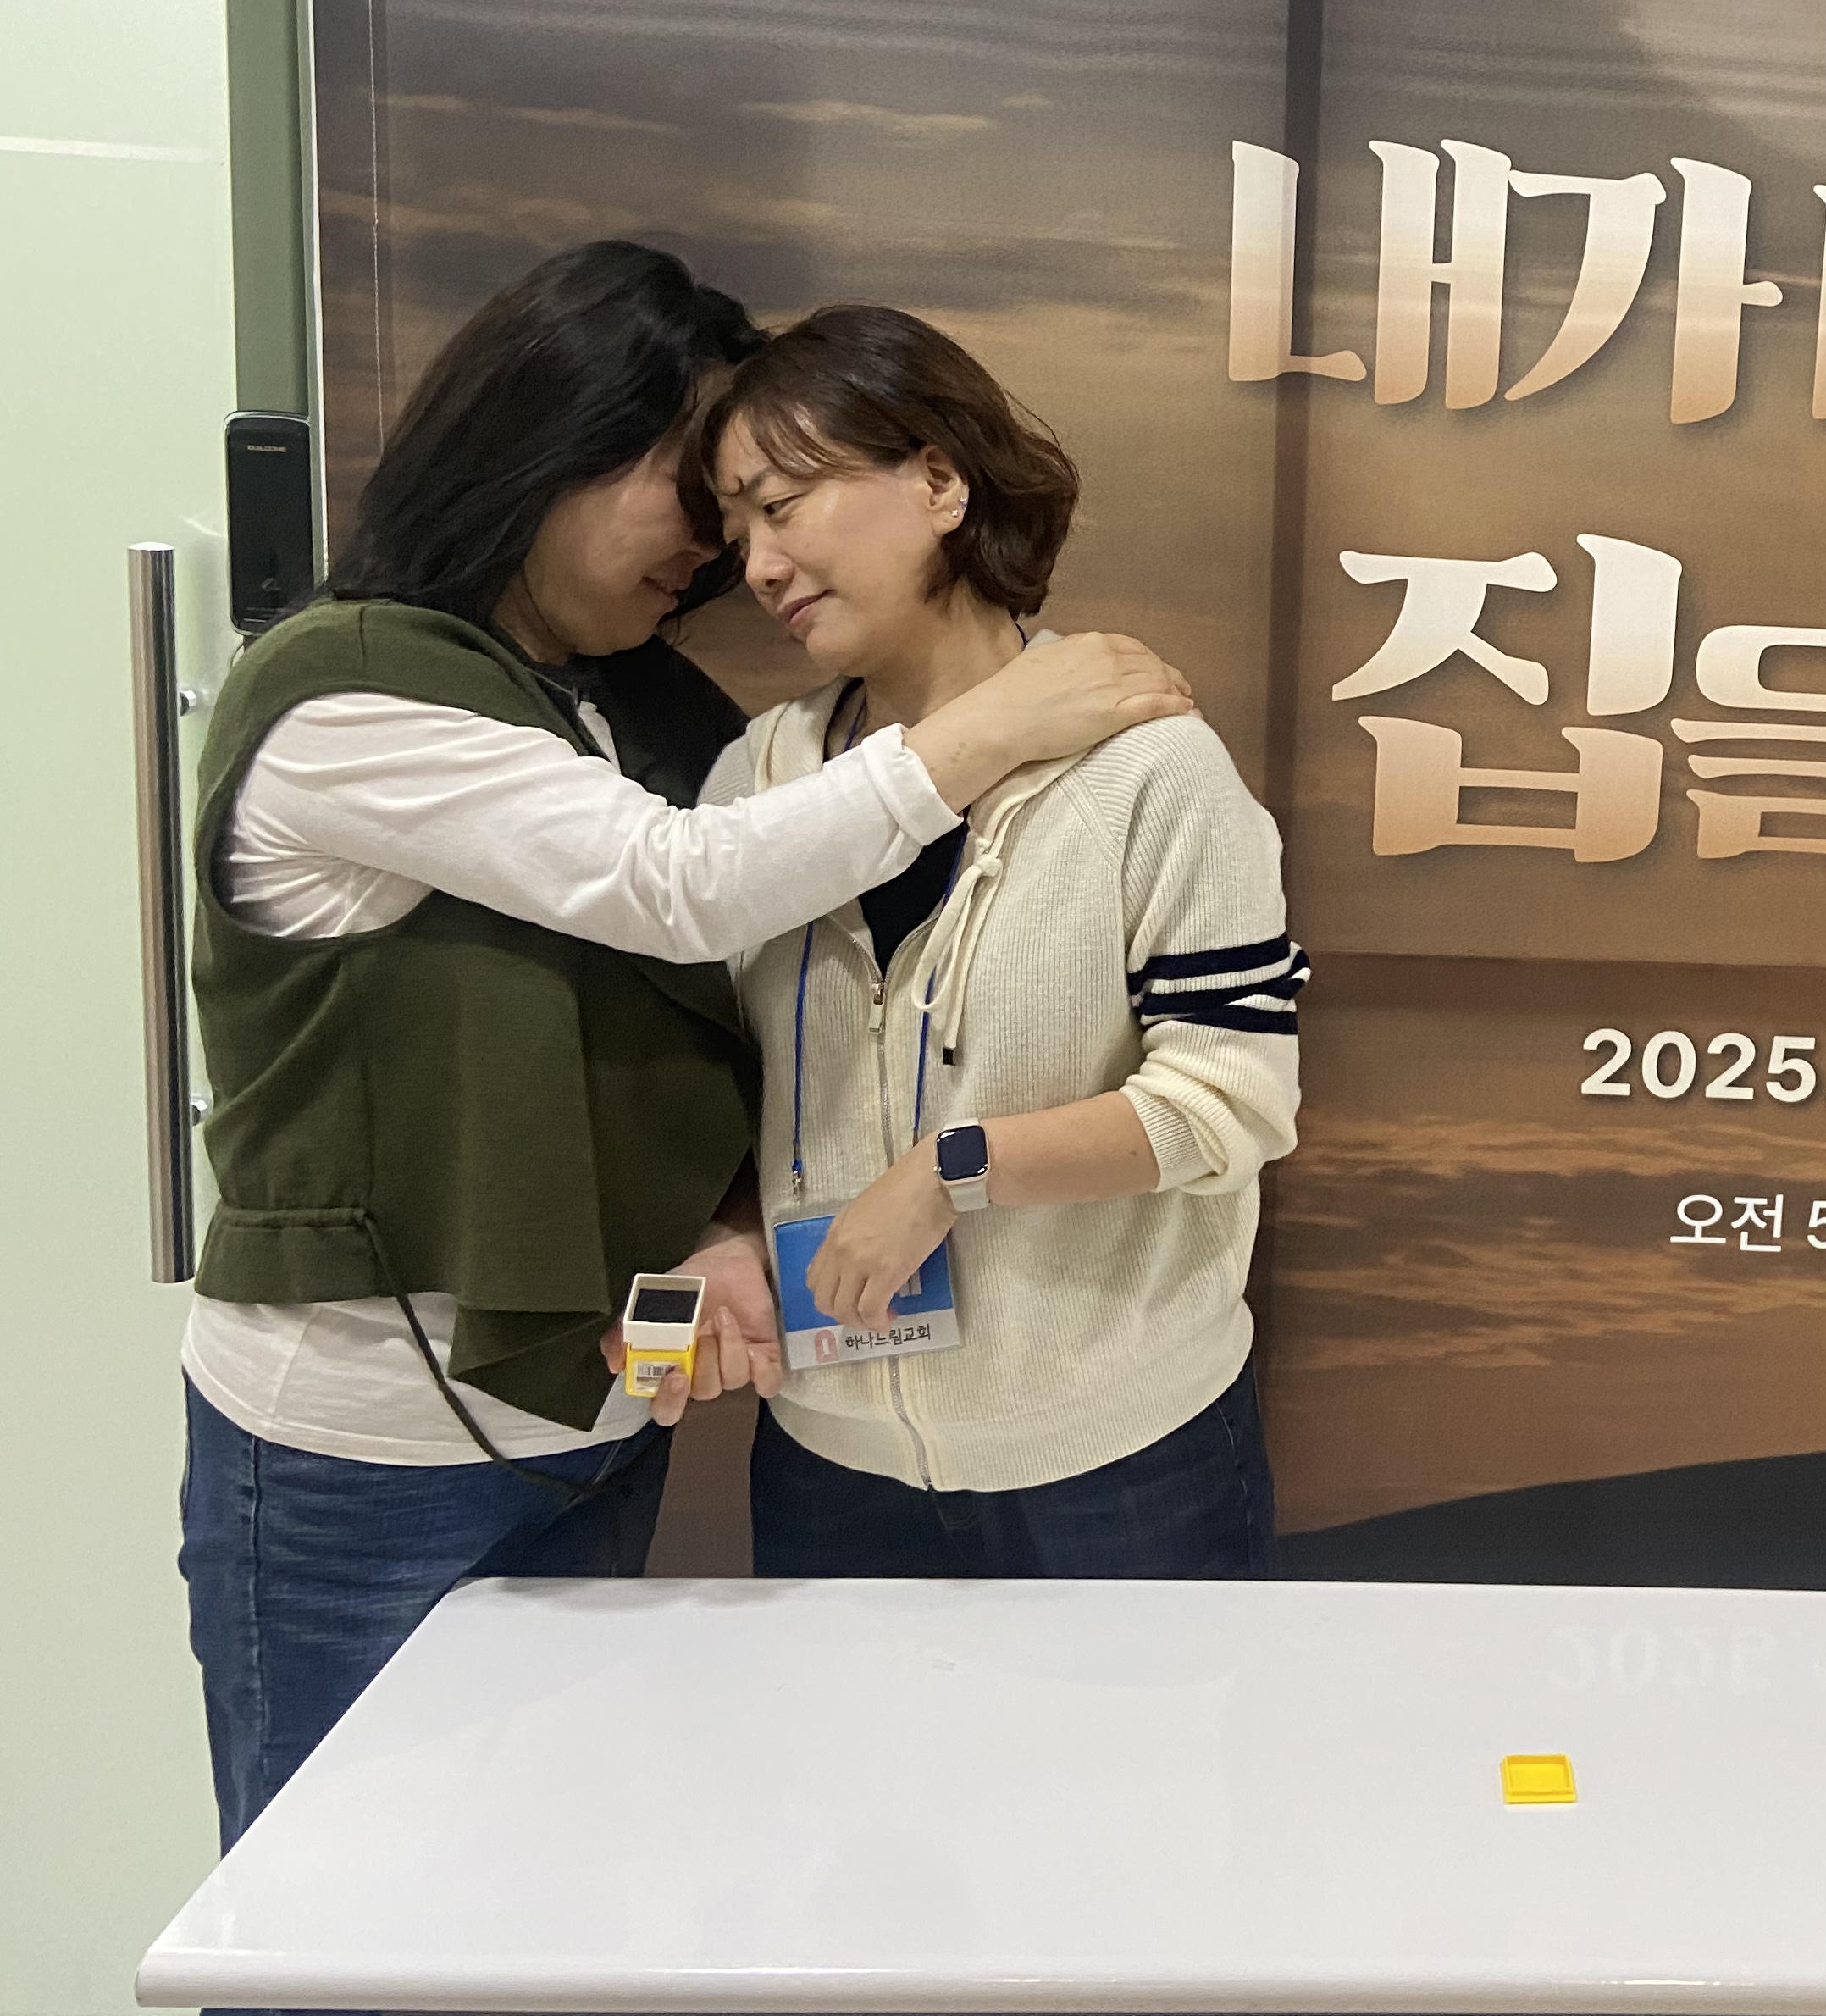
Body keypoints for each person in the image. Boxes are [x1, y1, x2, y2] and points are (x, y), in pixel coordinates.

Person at [180, 241, 1195, 1855]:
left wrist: (725, 1221)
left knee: (552, 1886)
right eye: (704, 496)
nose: (728, 554)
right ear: (557, 441)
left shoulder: (643, 707)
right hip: (364, 1446)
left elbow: (719, 1018)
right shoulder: (347, 694)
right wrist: (1000, 718)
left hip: (597, 1424)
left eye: (765, 507)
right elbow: (679, 885)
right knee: (337, 1902)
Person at [699, 304, 1299, 1579]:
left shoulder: (1149, 768)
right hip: (826, 1455)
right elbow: (715, 1086)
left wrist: (950, 1171)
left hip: (1122, 1454)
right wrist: (727, 1229)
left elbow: (1230, 1104)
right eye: (737, 529)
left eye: (784, 504)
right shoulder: (756, 782)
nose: (758, 563)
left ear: (938, 480)